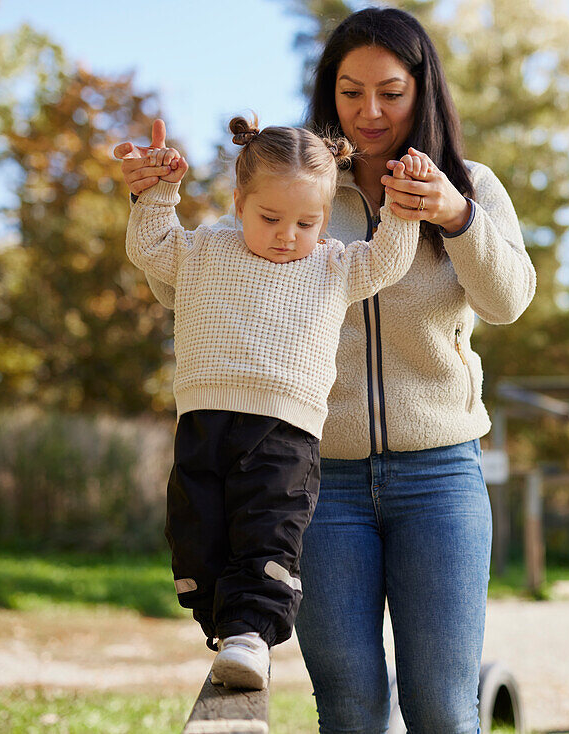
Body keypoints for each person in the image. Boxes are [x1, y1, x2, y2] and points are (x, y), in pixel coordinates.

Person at [116, 7, 535, 732]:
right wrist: (149, 196)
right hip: (316, 478)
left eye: (390, 91)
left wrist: (456, 215)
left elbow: (508, 301)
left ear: (422, 91)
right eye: (350, 91)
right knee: (348, 705)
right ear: (328, 93)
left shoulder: (473, 186)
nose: (369, 111)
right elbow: (188, 276)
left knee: (443, 707)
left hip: (439, 477)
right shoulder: (296, 183)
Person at [123, 115, 425, 690]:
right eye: (270, 217)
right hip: (203, 422)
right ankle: (223, 625)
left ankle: (251, 635)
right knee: (196, 533)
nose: (288, 234)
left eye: (307, 221)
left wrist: (403, 207)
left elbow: (387, 259)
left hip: (285, 434)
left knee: (269, 533)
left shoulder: (334, 263)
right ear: (239, 201)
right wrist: (156, 190)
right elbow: (150, 246)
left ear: (326, 217)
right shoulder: (207, 246)